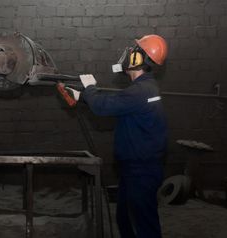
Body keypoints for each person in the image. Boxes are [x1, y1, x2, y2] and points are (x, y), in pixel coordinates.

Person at [67, 34, 168, 238]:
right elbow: (116, 104)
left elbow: (104, 107)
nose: (129, 52)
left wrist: (90, 89)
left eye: (134, 50)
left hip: (141, 171)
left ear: (139, 59)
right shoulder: (143, 89)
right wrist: (83, 97)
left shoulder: (140, 91)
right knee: (125, 219)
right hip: (135, 168)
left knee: (144, 225)